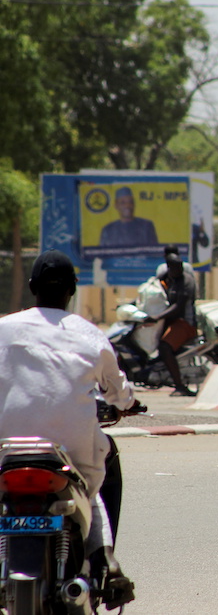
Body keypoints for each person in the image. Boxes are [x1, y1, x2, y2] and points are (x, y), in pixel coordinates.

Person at [0, 250, 136, 606]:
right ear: (73, 289)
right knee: (95, 486)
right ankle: (104, 559)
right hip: (68, 449)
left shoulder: (3, 328)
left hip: (5, 447)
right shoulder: (89, 334)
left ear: (32, 287)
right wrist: (128, 404)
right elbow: (118, 393)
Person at [143, 253, 198, 396]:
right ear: (169, 267)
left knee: (164, 347)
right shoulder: (167, 278)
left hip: (185, 323)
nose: (178, 270)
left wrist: (157, 317)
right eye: (175, 267)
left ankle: (179, 386)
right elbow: (152, 291)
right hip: (170, 321)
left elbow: (178, 307)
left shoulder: (187, 281)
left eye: (180, 267)